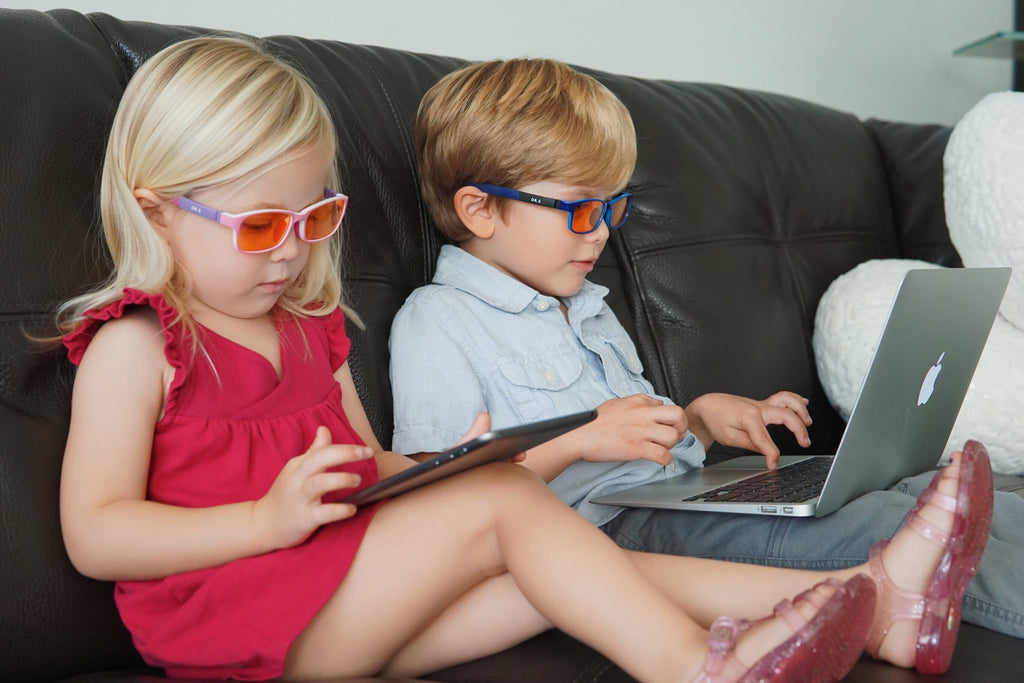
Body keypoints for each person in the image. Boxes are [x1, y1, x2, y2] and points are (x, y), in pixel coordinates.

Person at [53, 36, 934, 683]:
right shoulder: (139, 345)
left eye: (312, 220)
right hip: (246, 627)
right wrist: (263, 521)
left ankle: (863, 597)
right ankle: (693, 669)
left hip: (349, 594)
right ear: (158, 211)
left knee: (567, 568)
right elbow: (96, 534)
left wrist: (441, 466)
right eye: (257, 226)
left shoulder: (309, 325)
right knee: (511, 502)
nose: (288, 254)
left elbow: (370, 468)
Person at [388, 56, 1014, 671]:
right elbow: (440, 503)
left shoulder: (585, 306)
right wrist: (580, 441)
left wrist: (699, 420)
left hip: (676, 494)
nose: (603, 232)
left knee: (913, 490)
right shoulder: (439, 320)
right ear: (479, 210)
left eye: (615, 208)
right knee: (890, 529)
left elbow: (637, 435)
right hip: (608, 535)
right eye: (582, 209)